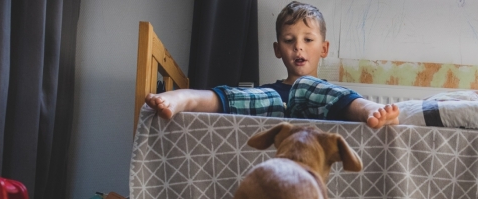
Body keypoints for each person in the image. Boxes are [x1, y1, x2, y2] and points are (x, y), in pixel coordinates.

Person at [144, 2, 399, 129]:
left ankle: (370, 108)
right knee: (253, 95)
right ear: (278, 50)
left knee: (314, 88)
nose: (298, 47)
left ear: (324, 49)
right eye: (289, 41)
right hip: (272, 103)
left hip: (322, 102)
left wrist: (365, 111)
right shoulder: (269, 93)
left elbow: (339, 102)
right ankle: (185, 97)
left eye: (308, 40)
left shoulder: (331, 96)